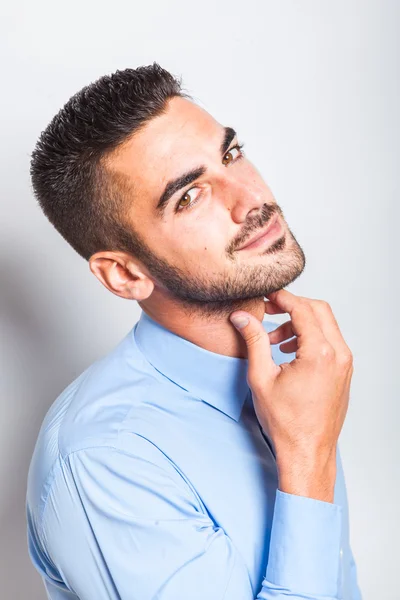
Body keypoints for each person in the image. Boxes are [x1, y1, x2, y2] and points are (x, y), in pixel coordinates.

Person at [26, 63, 363, 599]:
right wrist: (307, 455)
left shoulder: (293, 383)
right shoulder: (104, 460)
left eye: (230, 154)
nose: (249, 199)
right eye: (189, 196)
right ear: (126, 273)